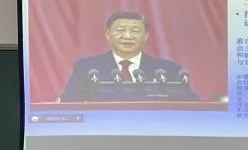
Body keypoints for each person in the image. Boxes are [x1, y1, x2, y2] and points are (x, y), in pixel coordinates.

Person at [59, 10, 199, 102]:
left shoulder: (168, 70)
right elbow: (69, 105)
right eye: (120, 30)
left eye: (135, 31)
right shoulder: (87, 68)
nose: (127, 36)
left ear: (146, 36)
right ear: (108, 34)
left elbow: (193, 106)